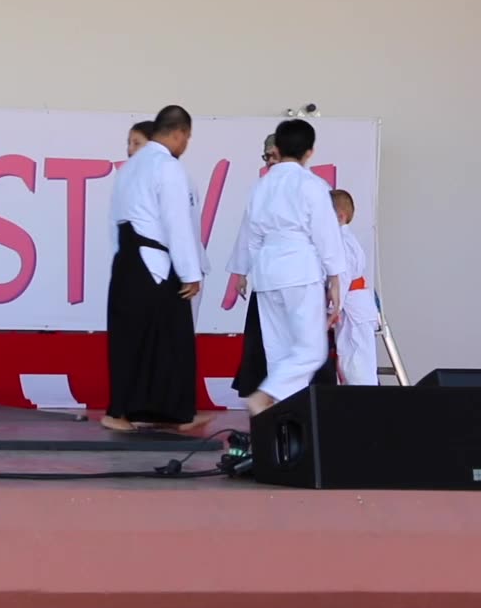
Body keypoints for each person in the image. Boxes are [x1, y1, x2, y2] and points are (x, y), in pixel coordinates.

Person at [103, 105, 210, 432]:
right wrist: (190, 273)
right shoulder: (168, 167)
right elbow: (177, 224)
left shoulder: (129, 167)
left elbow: (113, 220)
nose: (185, 144)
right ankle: (171, 413)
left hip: (127, 261)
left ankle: (130, 411)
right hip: (157, 265)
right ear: (178, 133)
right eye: (187, 138)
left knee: (130, 339)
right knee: (173, 341)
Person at [232, 119, 345, 416]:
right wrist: (335, 275)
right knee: (311, 349)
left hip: (267, 272)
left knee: (279, 353)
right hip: (299, 269)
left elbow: (252, 236)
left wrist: (251, 269)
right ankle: (265, 396)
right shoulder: (312, 185)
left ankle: (282, 419)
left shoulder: (261, 186)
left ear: (278, 149)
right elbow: (325, 233)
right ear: (310, 152)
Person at [331, 189, 379, 385]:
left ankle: (364, 407)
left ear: (340, 216)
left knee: (356, 362)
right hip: (353, 306)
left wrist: (333, 310)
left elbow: (341, 278)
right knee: (350, 359)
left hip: (351, 308)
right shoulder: (343, 240)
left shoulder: (340, 242)